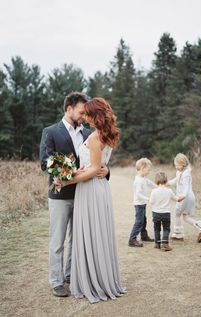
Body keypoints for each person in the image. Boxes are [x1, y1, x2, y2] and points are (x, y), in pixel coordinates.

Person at [39, 92, 108, 297]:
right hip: (60, 194)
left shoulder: (89, 133)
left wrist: (107, 171)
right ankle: (56, 281)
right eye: (80, 111)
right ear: (68, 109)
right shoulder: (50, 131)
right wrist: (69, 172)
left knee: (77, 238)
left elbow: (97, 162)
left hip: (84, 194)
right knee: (57, 239)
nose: (83, 115)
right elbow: (45, 162)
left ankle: (71, 274)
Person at [57, 97, 125, 303]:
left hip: (91, 189)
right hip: (97, 187)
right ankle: (100, 276)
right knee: (95, 232)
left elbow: (96, 168)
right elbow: (97, 166)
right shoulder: (105, 135)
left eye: (87, 114)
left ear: (96, 115)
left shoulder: (96, 138)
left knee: (92, 231)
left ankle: (95, 280)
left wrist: (67, 181)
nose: (84, 118)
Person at [168, 153, 201, 243]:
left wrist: (183, 196)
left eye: (177, 165)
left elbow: (186, 186)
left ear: (182, 164)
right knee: (185, 217)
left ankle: (178, 235)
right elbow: (176, 180)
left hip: (185, 197)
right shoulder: (180, 172)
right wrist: (168, 183)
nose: (176, 167)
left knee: (177, 214)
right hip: (188, 197)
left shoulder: (186, 174)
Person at [149, 172, 184, 251]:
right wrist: (182, 197)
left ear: (156, 180)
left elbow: (151, 202)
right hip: (166, 213)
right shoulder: (169, 191)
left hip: (156, 213)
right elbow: (177, 199)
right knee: (166, 228)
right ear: (166, 180)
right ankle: (165, 242)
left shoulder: (154, 191)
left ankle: (157, 243)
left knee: (157, 228)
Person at [128, 158, 156, 247]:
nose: (149, 172)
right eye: (148, 170)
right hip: (139, 204)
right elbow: (138, 194)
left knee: (144, 220)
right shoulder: (138, 181)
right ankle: (132, 239)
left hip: (142, 203)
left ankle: (144, 236)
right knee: (139, 221)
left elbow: (150, 183)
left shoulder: (143, 178)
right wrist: (147, 199)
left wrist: (158, 187)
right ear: (142, 168)